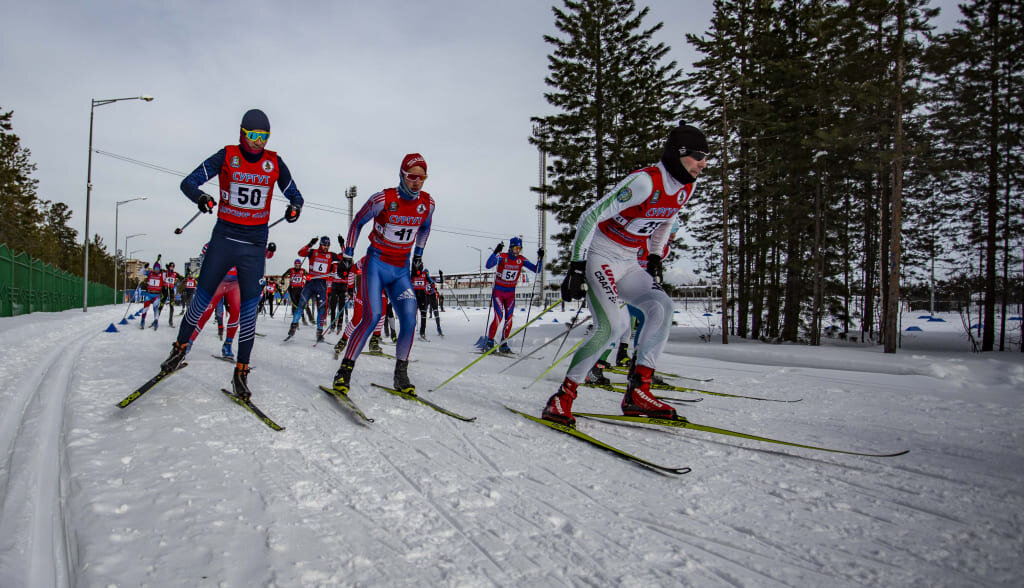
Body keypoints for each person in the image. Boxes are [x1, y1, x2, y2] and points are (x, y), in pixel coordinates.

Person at [542, 123, 707, 426]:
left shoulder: (687, 186)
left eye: (706, 157)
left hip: (630, 260)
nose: (703, 164)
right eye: (698, 156)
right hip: (601, 256)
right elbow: (590, 215)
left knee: (661, 307)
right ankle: (561, 399)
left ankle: (638, 392)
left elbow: (667, 220)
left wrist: (655, 255)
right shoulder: (645, 182)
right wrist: (577, 266)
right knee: (612, 327)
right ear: (679, 153)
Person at [158, 108, 304, 401]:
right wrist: (200, 197)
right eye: (252, 136)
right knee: (199, 302)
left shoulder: (274, 162)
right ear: (242, 133)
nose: (257, 142)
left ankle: (241, 371)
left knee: (249, 313)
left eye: (263, 137)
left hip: (253, 247)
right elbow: (188, 182)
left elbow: (296, 197)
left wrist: (294, 209)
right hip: (224, 239)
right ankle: (179, 349)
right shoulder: (226, 156)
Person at [332, 153, 435, 395]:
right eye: (412, 177)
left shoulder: (427, 204)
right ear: (402, 175)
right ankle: (344, 371)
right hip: (376, 264)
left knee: (410, 319)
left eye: (422, 178)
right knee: (372, 316)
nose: (417, 182)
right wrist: (348, 255)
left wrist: (418, 255)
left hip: (400, 270)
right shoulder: (383, 199)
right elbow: (357, 222)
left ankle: (401, 375)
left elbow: (426, 228)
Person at [482, 237, 543, 353]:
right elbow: (488, 265)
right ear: (510, 248)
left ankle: (504, 343)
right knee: (498, 317)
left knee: (509, 319)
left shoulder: (521, 260)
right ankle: (490, 341)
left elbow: (536, 270)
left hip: (510, 294)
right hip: (499, 293)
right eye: (515, 248)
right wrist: (495, 252)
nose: (517, 251)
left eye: (519, 248)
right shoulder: (503, 257)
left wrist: (540, 258)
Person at [287, 236, 342, 342]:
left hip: (321, 285)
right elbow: (300, 253)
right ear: (320, 244)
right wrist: (310, 244)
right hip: (310, 283)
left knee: (321, 309)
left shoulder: (331, 255)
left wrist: (342, 245)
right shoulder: (313, 252)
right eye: (324, 245)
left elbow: (344, 258)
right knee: (301, 304)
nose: (326, 247)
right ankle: (293, 326)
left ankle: (319, 332)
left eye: (328, 245)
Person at [412, 266, 443, 338]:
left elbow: (441, 281)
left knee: (436, 311)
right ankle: (421, 330)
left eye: (427, 273)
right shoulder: (423, 278)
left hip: (432, 296)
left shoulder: (431, 278)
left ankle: (438, 328)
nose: (427, 274)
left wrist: (441, 274)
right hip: (426, 296)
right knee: (424, 312)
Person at [281, 258, 312, 325]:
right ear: (294, 265)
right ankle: (296, 320)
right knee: (295, 305)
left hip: (300, 289)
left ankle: (307, 319)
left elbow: (309, 276)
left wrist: (309, 279)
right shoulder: (291, 270)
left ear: (300, 265)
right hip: (292, 289)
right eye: (296, 265)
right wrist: (283, 281)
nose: (297, 266)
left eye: (298, 265)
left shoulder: (303, 270)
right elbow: (284, 275)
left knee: (303, 304)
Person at [138, 256, 164, 329]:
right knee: (146, 307)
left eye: (157, 269)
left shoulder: (161, 275)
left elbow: (170, 275)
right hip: (149, 294)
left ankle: (156, 320)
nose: (156, 270)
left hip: (157, 295)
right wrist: (144, 267)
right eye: (155, 269)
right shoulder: (150, 273)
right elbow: (140, 272)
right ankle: (143, 320)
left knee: (155, 308)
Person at [160, 262, 181, 328]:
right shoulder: (165, 272)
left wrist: (187, 272)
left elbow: (182, 278)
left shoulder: (175, 273)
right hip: (165, 290)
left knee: (172, 306)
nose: (171, 267)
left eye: (173, 266)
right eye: (170, 266)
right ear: (168, 266)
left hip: (171, 290)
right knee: (161, 304)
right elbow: (158, 270)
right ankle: (156, 319)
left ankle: (170, 321)